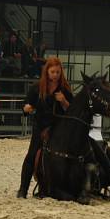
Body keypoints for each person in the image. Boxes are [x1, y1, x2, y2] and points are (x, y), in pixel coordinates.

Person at [18, 57, 74, 198]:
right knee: (31, 155)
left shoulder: (65, 89)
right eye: (53, 72)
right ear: (47, 72)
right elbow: (25, 106)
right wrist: (27, 108)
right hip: (41, 126)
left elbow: (72, 110)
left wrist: (64, 101)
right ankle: (23, 189)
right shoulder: (37, 88)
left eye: (58, 72)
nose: (55, 75)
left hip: (59, 127)